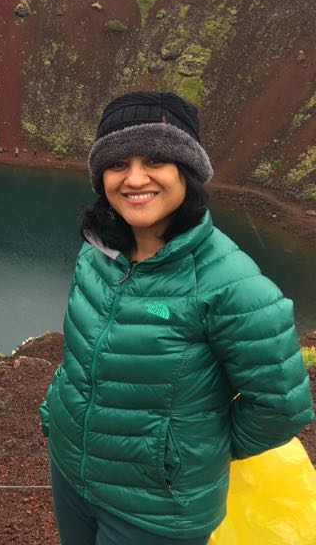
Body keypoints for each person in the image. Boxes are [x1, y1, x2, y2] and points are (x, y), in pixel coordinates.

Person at [40, 91, 314, 545]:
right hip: (73, 474)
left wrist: (186, 456)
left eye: (154, 161)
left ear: (187, 170)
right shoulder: (99, 254)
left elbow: (281, 406)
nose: (134, 179)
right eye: (117, 164)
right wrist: (57, 412)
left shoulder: (232, 284)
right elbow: (81, 351)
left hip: (156, 511)